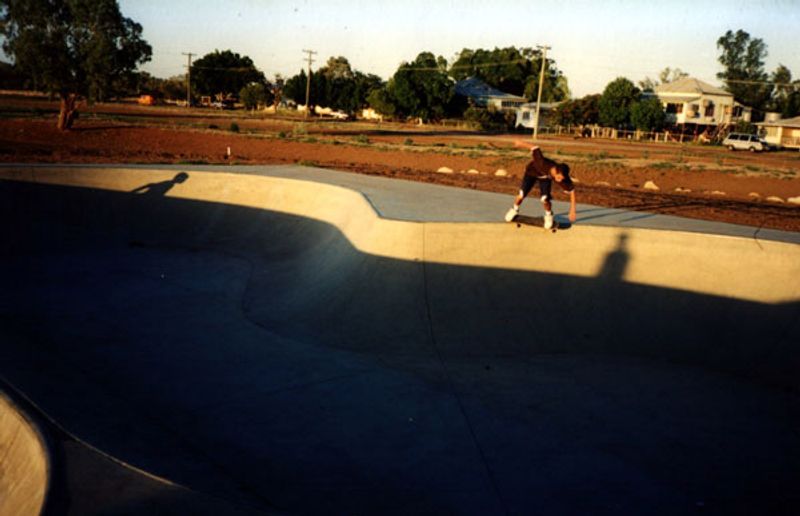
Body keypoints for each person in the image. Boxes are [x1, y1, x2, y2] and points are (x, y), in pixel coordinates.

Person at [505, 145, 577, 229]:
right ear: (555, 171)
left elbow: (572, 191)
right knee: (521, 194)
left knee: (545, 199)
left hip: (544, 178)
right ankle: (514, 209)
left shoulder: (562, 175)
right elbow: (535, 147)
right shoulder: (542, 163)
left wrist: (572, 210)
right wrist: (520, 143)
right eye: (558, 177)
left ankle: (549, 216)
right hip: (530, 173)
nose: (560, 180)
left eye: (561, 179)